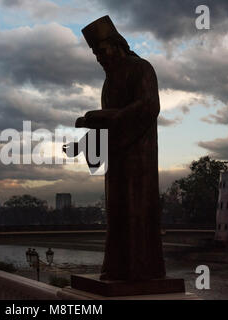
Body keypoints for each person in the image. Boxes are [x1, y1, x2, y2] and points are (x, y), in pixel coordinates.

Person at [73, 16, 166, 282]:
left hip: (139, 156)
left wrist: (107, 117)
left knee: (136, 209)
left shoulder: (141, 68)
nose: (99, 57)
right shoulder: (110, 81)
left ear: (117, 45)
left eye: (102, 51)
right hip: (117, 157)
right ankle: (118, 267)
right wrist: (91, 130)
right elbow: (110, 121)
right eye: (95, 53)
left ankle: (141, 270)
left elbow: (149, 106)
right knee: (117, 211)